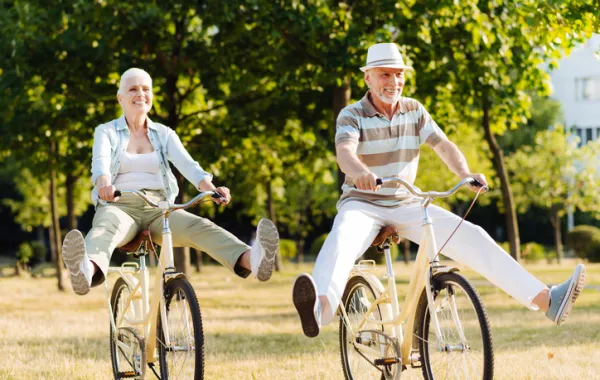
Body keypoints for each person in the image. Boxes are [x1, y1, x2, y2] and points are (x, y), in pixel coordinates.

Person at [292, 43, 586, 338]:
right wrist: (360, 174)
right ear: (367, 78)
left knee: (474, 236)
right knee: (342, 239)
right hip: (363, 202)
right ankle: (319, 308)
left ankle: (548, 300)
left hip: (407, 201)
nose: (393, 82)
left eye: (398, 74)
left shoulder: (414, 109)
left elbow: (442, 144)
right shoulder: (351, 115)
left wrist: (465, 173)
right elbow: (344, 152)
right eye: (385, 75)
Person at [62, 68, 279, 295]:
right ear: (120, 97)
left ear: (152, 96)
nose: (141, 94)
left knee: (201, 227)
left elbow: (189, 167)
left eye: (146, 89)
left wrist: (213, 190)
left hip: (159, 208)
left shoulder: (164, 134)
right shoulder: (106, 132)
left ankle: (253, 259)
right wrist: (104, 185)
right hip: (119, 205)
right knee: (105, 230)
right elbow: (101, 163)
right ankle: (85, 270)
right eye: (133, 89)